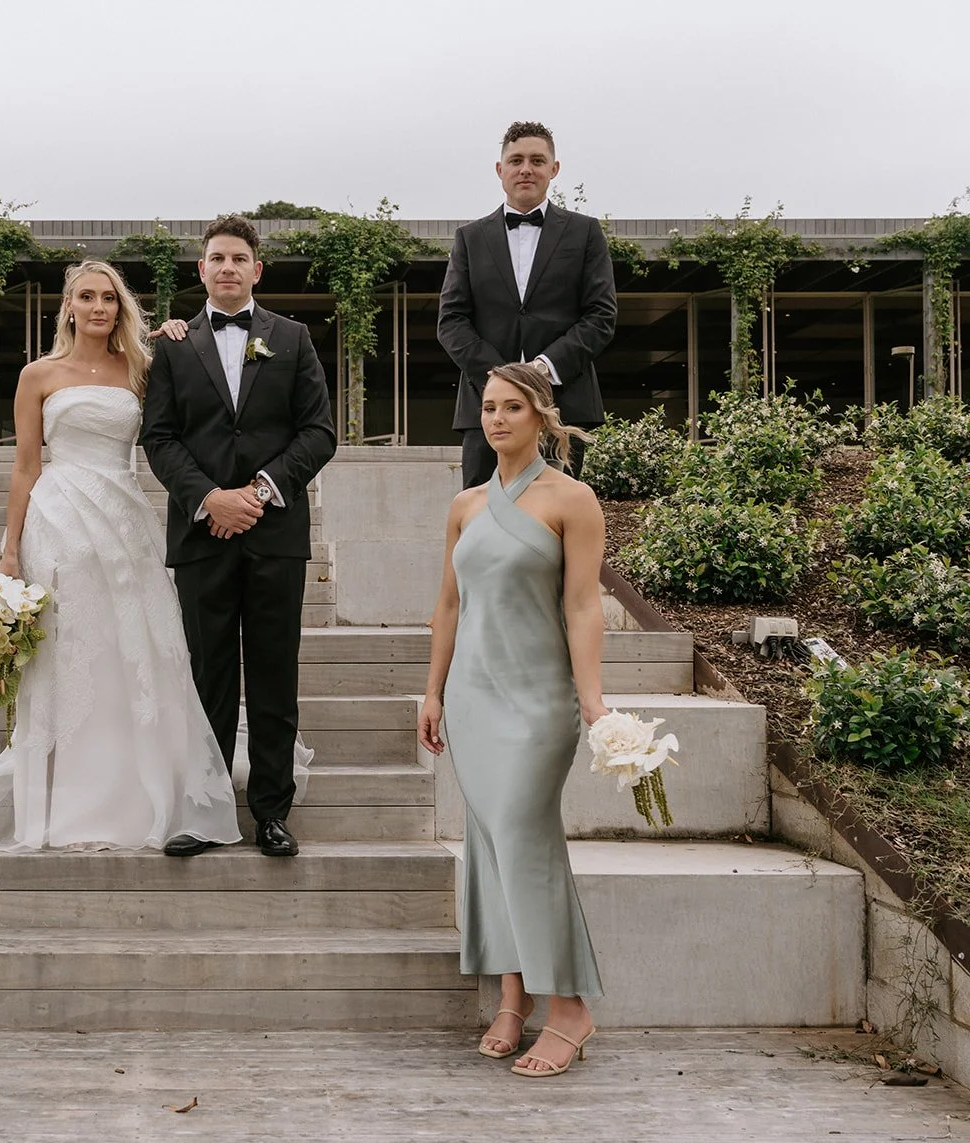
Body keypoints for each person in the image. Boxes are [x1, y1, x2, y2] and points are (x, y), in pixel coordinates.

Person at [0, 260, 243, 853]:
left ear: (122, 308)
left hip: (123, 519)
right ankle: (65, 794)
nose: (99, 308)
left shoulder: (143, 369)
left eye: (110, 299)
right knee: (71, 651)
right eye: (87, 297)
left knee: (136, 648)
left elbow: (180, 421)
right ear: (69, 306)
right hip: (58, 521)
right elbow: (25, 466)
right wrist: (10, 551)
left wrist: (183, 332)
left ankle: (141, 789)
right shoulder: (37, 375)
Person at [417, 362, 607, 1077]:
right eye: (487, 407)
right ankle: (512, 995)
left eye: (510, 407)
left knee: (525, 840)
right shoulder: (465, 504)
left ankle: (570, 1007)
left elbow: (584, 607)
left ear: (541, 415)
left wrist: (592, 700)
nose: (495, 419)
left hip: (537, 700)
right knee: (490, 842)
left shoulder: (573, 499)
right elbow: (449, 607)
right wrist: (432, 692)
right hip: (472, 695)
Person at [143, 215, 336, 858]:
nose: (227, 267)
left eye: (238, 258)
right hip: (202, 536)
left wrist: (255, 494)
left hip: (275, 532)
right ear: (201, 271)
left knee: (276, 677)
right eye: (216, 258)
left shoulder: (294, 337)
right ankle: (204, 811)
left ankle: (272, 813)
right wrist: (208, 499)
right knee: (208, 678)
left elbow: (318, 431)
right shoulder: (171, 346)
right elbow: (159, 437)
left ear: (257, 269)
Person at [438, 121, 618, 489]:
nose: (526, 169)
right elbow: (452, 320)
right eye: (516, 160)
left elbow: (601, 315)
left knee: (555, 524)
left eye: (537, 160)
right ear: (500, 170)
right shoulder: (469, 238)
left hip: (563, 404)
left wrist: (543, 369)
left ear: (554, 169)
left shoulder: (585, 232)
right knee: (481, 520)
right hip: (485, 406)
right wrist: (503, 378)